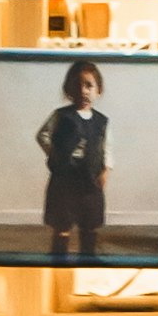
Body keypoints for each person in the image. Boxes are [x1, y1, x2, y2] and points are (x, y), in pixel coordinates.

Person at [35, 59, 111, 260]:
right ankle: (58, 256)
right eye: (78, 85)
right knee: (63, 222)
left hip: (90, 180)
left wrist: (106, 170)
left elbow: (107, 147)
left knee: (90, 222)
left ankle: (88, 256)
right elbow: (42, 135)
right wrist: (55, 154)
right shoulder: (61, 116)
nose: (84, 91)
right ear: (69, 90)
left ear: (98, 90)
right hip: (65, 179)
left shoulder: (102, 121)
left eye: (89, 85)